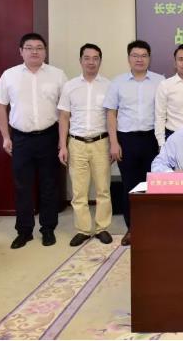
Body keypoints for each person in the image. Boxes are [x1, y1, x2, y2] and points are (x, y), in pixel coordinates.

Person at [0, 32, 67, 249]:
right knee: (22, 186)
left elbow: (65, 110)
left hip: (49, 136)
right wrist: (6, 137)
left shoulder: (58, 75)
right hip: (21, 139)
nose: (35, 51)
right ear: (21, 51)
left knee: (49, 185)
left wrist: (63, 141)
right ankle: (24, 231)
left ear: (45, 51)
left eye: (39, 48)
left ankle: (48, 229)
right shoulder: (9, 75)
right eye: (29, 48)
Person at [104, 40, 164, 246]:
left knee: (153, 185)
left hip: (151, 139)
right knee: (130, 185)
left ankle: (153, 226)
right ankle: (132, 228)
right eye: (135, 55)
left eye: (144, 55)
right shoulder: (117, 82)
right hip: (126, 139)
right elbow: (111, 114)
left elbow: (163, 112)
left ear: (149, 58)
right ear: (129, 58)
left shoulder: (160, 81)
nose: (140, 59)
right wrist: (114, 143)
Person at [57, 43, 113, 247]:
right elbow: (64, 117)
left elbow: (112, 116)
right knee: (79, 191)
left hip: (101, 142)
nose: (91, 62)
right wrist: (63, 146)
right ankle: (82, 230)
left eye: (95, 58)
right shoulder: (70, 86)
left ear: (100, 61)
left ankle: (102, 228)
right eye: (87, 58)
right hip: (77, 143)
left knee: (103, 189)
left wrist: (113, 143)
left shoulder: (108, 85)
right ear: (80, 60)